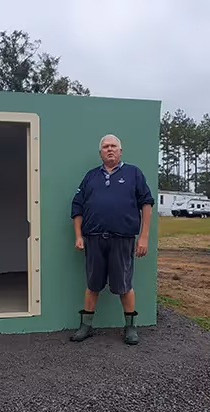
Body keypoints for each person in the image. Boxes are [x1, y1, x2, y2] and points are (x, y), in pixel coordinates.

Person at [70, 134, 154, 345]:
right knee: (92, 285)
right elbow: (77, 206)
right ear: (100, 153)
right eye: (106, 147)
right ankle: (86, 326)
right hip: (94, 239)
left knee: (124, 285)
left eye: (113, 146)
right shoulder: (90, 177)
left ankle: (130, 327)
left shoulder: (134, 173)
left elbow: (146, 203)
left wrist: (144, 237)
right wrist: (78, 235)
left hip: (123, 239)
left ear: (120, 151)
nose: (110, 149)